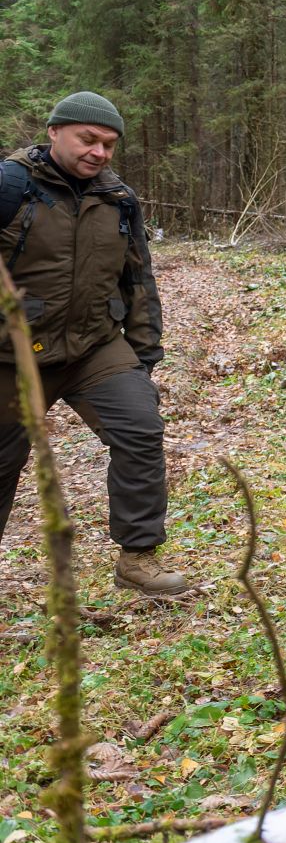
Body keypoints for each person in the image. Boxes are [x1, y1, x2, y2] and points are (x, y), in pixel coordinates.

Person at [0, 92, 181, 596]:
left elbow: (138, 280)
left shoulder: (117, 199)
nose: (99, 152)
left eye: (108, 144)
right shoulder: (10, 187)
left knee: (140, 428)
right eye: (88, 139)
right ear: (54, 132)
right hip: (11, 356)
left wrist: (142, 355)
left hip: (91, 346)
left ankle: (137, 559)